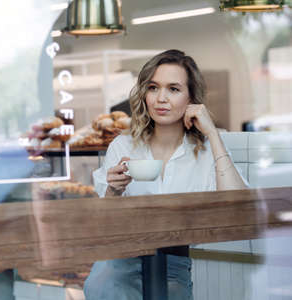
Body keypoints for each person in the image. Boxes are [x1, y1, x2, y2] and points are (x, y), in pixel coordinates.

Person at [83, 49, 248, 300]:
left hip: (177, 264)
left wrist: (212, 134)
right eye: (153, 88)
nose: (161, 98)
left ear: (192, 97)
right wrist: (113, 191)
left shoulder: (206, 152)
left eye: (173, 89)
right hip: (121, 263)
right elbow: (105, 227)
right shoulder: (123, 146)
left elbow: (239, 208)